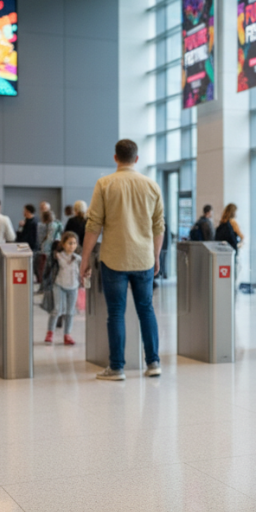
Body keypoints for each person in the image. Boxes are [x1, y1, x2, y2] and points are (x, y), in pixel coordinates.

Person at [79, 139, 165, 381]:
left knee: (116, 313)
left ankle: (117, 367)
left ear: (115, 157)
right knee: (146, 310)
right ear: (137, 159)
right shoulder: (151, 185)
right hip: (144, 259)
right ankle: (153, 363)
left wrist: (84, 259)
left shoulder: (105, 184)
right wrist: (156, 256)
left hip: (114, 259)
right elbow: (159, 225)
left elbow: (93, 225)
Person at [44, 231, 81, 346]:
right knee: (57, 310)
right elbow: (49, 270)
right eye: (70, 243)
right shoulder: (58, 256)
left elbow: (82, 272)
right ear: (63, 244)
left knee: (70, 312)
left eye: (74, 243)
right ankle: (50, 332)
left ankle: (67, 335)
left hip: (73, 287)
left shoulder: (78, 258)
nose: (72, 246)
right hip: (59, 285)